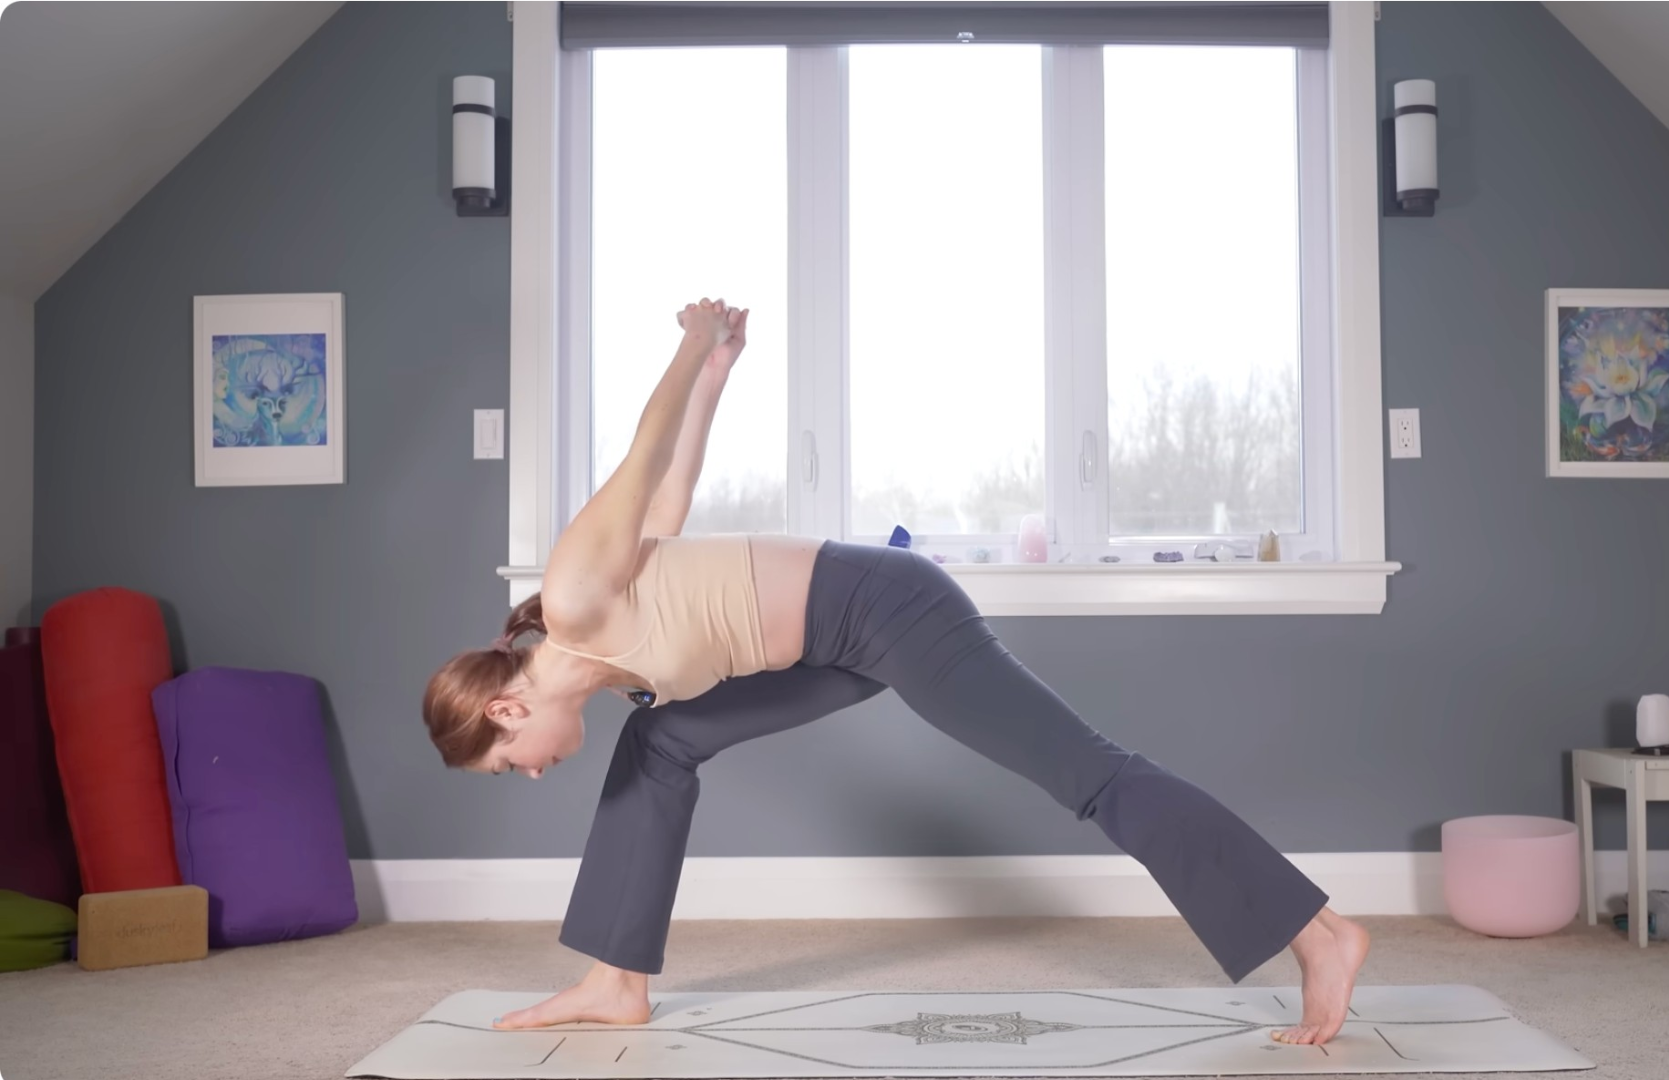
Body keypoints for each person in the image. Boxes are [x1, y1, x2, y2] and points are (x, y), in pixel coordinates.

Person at [422, 298, 1370, 1046]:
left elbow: (645, 459)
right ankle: (615, 982)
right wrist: (721, 374)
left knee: (1092, 776)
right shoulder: (610, 656)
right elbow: (672, 499)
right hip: (832, 646)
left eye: (510, 762)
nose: (534, 773)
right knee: (661, 738)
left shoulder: (576, 594)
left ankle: (1318, 932)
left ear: (508, 707)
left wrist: (692, 345)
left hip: (890, 609)